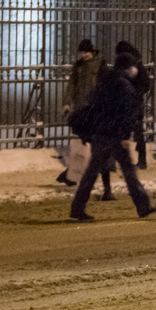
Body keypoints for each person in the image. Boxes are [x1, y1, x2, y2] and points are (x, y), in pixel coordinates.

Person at [69, 52, 156, 221]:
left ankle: (77, 207)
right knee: (129, 171)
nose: (135, 70)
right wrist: (125, 135)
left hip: (101, 133)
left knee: (91, 172)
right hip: (116, 136)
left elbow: (95, 105)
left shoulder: (105, 81)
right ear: (128, 68)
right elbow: (126, 114)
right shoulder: (125, 86)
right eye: (133, 67)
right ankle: (143, 206)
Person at [60, 40, 110, 195]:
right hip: (81, 111)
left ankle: (83, 178)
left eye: (86, 52)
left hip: (95, 111)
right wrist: (67, 103)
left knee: (94, 147)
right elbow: (71, 86)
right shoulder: (78, 66)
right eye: (81, 53)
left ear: (92, 52)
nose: (83, 55)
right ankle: (78, 177)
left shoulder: (100, 65)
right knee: (83, 146)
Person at [114, 41, 151, 169]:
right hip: (131, 102)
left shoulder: (132, 64)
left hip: (130, 102)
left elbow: (146, 84)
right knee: (136, 131)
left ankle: (127, 159)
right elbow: (146, 84)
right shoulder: (135, 63)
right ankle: (140, 159)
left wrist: (134, 92)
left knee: (126, 131)